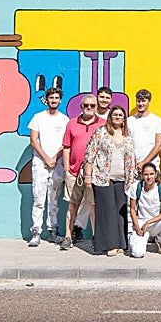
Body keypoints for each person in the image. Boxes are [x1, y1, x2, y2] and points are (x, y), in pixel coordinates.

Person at [83, 105, 138, 257]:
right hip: (103, 177)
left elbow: (132, 157)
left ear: (124, 119)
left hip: (123, 179)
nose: (118, 117)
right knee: (107, 211)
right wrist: (88, 177)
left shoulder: (127, 135)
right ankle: (109, 245)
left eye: (120, 115)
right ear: (110, 117)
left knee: (120, 212)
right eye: (115, 115)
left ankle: (121, 243)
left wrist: (132, 176)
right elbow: (89, 154)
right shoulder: (101, 132)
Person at [59, 94, 103, 251]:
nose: (89, 108)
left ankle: (96, 238)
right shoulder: (71, 124)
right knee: (72, 205)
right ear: (81, 107)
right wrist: (66, 168)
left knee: (93, 206)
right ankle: (68, 237)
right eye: (86, 105)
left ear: (97, 107)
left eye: (92, 105)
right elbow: (66, 147)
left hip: (94, 173)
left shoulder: (103, 124)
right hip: (74, 171)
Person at [27, 86, 68, 247]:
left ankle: (52, 230)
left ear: (60, 100)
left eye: (56, 98)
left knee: (54, 198)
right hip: (40, 163)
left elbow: (65, 144)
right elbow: (33, 140)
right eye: (51, 98)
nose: (54, 100)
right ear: (47, 99)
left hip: (56, 163)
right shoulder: (38, 118)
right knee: (38, 198)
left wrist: (54, 158)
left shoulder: (64, 120)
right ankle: (36, 232)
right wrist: (45, 158)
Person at [126, 162, 161, 257]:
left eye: (151, 174)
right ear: (142, 175)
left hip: (156, 223)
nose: (149, 177)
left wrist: (149, 222)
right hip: (141, 223)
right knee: (137, 254)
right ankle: (136, 238)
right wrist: (136, 227)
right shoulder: (136, 187)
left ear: (156, 174)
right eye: (146, 174)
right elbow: (132, 209)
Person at [127, 88, 161, 183]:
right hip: (132, 167)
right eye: (138, 101)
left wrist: (144, 163)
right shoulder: (129, 121)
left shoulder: (157, 121)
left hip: (151, 166)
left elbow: (159, 145)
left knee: (151, 196)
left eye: (143, 101)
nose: (140, 104)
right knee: (133, 196)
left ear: (149, 101)